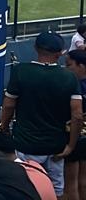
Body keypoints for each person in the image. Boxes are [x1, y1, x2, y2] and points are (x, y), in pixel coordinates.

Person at [0, 30, 83, 198]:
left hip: (25, 144)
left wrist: (4, 127)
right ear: (60, 53)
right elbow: (77, 115)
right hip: (56, 148)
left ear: (36, 48)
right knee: (55, 192)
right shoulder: (69, 77)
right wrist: (71, 146)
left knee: (26, 189)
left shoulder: (21, 71)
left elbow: (8, 106)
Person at [65, 49, 86, 200]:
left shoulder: (73, 87)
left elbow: (76, 115)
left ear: (81, 66)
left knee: (70, 185)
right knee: (83, 181)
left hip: (74, 137)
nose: (66, 69)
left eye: (69, 65)